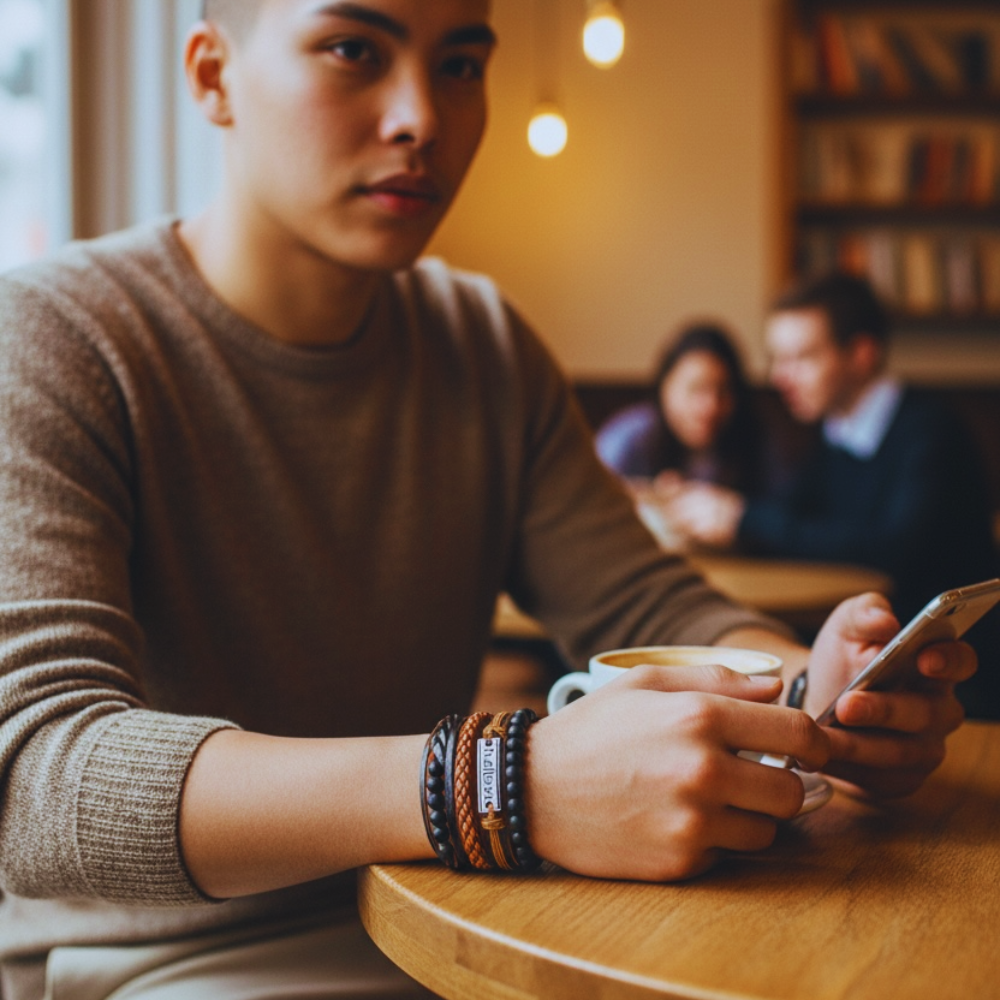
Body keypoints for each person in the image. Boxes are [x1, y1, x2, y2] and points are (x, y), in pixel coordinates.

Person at [0, 5, 975, 999]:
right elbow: (30, 781)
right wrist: (503, 784)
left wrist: (814, 693)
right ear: (211, 77)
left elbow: (649, 607)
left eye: (462, 63)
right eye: (353, 50)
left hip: (453, 917)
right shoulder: (55, 336)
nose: (423, 114)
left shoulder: (482, 344)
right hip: (152, 962)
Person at [670, 270, 999, 715]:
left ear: (861, 354)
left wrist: (743, 518)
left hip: (956, 677)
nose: (779, 376)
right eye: (777, 358)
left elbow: (892, 547)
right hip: (879, 650)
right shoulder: (839, 429)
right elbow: (794, 512)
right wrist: (724, 514)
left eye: (800, 358)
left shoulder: (929, 431)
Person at [595, 322, 767, 492]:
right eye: (696, 389)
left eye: (723, 390)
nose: (710, 407)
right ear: (664, 388)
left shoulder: (757, 441)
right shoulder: (627, 440)